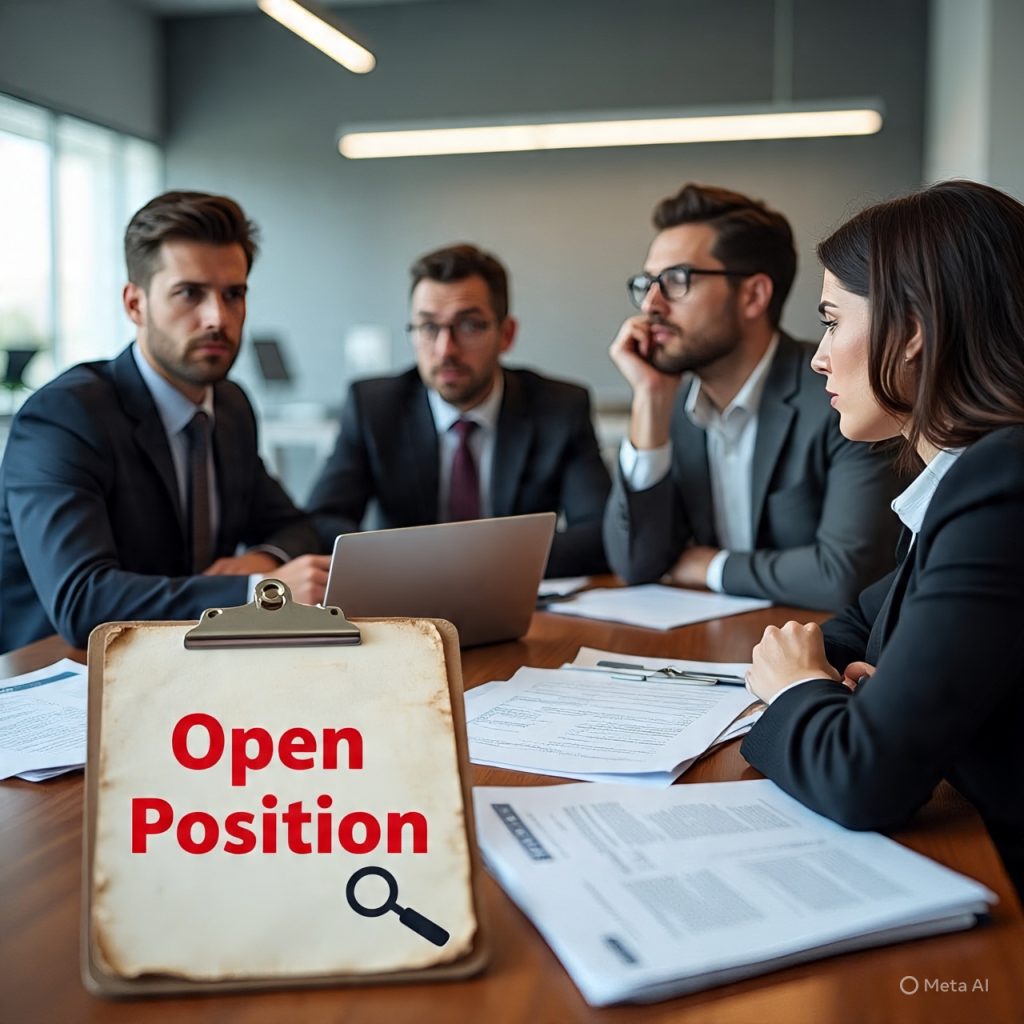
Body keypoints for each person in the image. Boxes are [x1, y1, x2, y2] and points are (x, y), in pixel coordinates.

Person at [741, 179, 1024, 899]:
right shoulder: (969, 475)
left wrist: (798, 686)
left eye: (833, 321)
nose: (818, 356)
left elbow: (863, 781)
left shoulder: (1002, 484)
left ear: (916, 324)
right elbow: (865, 621)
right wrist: (863, 684)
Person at [0, 191, 328, 652]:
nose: (217, 317)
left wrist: (261, 558)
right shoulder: (64, 417)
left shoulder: (230, 405)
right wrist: (258, 592)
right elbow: (83, 602)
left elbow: (294, 527)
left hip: (182, 660)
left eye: (233, 295)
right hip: (58, 676)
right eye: (189, 293)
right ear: (135, 304)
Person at [604, 184, 901, 610]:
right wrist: (649, 398)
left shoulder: (844, 397)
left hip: (822, 649)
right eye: (647, 282)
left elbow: (846, 576)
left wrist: (710, 567)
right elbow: (635, 564)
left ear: (753, 295)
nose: (651, 304)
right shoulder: (668, 405)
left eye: (675, 280)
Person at [307, 243, 611, 578]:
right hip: (407, 601)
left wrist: (476, 566)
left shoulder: (559, 408)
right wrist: (413, 565)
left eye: (469, 326)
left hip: (518, 602)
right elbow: (322, 520)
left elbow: (600, 533)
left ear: (506, 334)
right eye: (428, 327)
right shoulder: (374, 407)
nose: (445, 349)